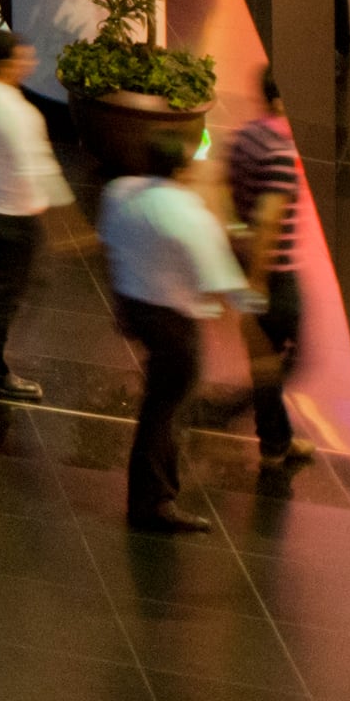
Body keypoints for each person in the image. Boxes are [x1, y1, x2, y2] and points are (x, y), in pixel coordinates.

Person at [101, 153, 243, 534]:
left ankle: (153, 497)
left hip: (137, 308)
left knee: (160, 405)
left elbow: (110, 244)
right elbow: (219, 279)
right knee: (166, 410)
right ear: (183, 170)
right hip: (174, 326)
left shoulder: (121, 193)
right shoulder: (191, 217)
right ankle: (154, 502)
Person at [224, 80, 309, 474]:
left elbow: (227, 191)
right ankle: (273, 444)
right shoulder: (278, 150)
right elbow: (271, 217)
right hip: (272, 272)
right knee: (289, 356)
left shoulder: (244, 137)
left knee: (268, 358)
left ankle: (278, 437)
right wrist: (257, 281)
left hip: (250, 262)